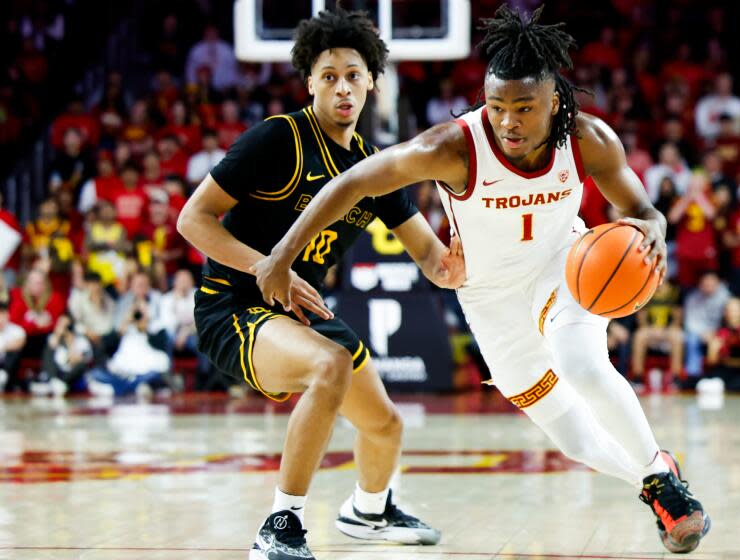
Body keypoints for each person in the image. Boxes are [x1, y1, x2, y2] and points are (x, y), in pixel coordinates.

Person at [260, 6, 710, 553]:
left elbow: (641, 207)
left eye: (524, 108)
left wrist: (655, 229)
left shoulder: (588, 137)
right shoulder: (450, 147)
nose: (509, 122)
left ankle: (664, 487)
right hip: (489, 300)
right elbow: (352, 182)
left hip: (562, 268)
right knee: (570, 439)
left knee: (580, 361)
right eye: (497, 107)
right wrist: (282, 254)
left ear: (554, 101)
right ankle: (655, 474)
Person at [177, 8, 458, 560]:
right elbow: (193, 220)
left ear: (372, 81)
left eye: (353, 75)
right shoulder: (278, 139)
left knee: (385, 427)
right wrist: (266, 266)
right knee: (327, 366)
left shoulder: (377, 167)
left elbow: (430, 256)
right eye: (329, 76)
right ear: (310, 83)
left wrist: (461, 262)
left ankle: (369, 512)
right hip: (231, 307)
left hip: (297, 310)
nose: (343, 87)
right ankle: (280, 525)